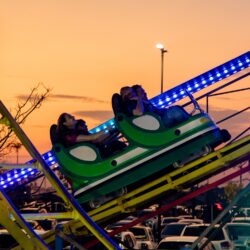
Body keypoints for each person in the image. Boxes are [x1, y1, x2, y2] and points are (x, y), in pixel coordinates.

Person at [56, 113, 126, 158]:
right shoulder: (69, 137)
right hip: (92, 156)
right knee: (115, 146)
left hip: (96, 152)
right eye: (69, 117)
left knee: (116, 143)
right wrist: (108, 128)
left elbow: (96, 140)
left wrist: (112, 131)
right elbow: (92, 137)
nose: (73, 117)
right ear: (65, 123)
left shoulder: (79, 131)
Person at [120, 85, 190, 128]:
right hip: (158, 125)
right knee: (174, 111)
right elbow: (139, 112)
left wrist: (166, 110)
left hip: (158, 121)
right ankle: (189, 126)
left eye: (132, 92)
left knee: (175, 108)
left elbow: (156, 111)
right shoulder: (129, 105)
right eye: (129, 94)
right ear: (125, 97)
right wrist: (139, 99)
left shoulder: (140, 102)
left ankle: (187, 124)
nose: (132, 94)